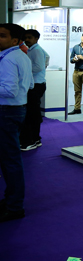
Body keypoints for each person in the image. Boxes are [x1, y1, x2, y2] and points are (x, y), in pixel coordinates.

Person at [0, 23, 33, 222]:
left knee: (10, 160)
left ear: (14, 40)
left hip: (7, 111)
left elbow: (9, 90)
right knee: (9, 159)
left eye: (2, 35)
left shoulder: (9, 59)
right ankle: (11, 201)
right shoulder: (21, 56)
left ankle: (14, 207)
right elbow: (30, 84)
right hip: (14, 110)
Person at [19, 30, 46, 151]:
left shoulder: (36, 50)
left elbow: (39, 67)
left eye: (29, 37)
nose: (27, 40)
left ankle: (32, 140)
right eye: (25, 38)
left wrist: (24, 70)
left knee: (32, 114)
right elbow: (47, 58)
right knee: (32, 113)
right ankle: (35, 138)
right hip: (35, 84)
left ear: (36, 38)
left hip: (36, 85)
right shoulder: (33, 49)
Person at [68, 32, 83, 115]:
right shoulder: (75, 47)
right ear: (81, 37)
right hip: (76, 71)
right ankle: (77, 108)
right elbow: (71, 59)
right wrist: (74, 60)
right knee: (77, 91)